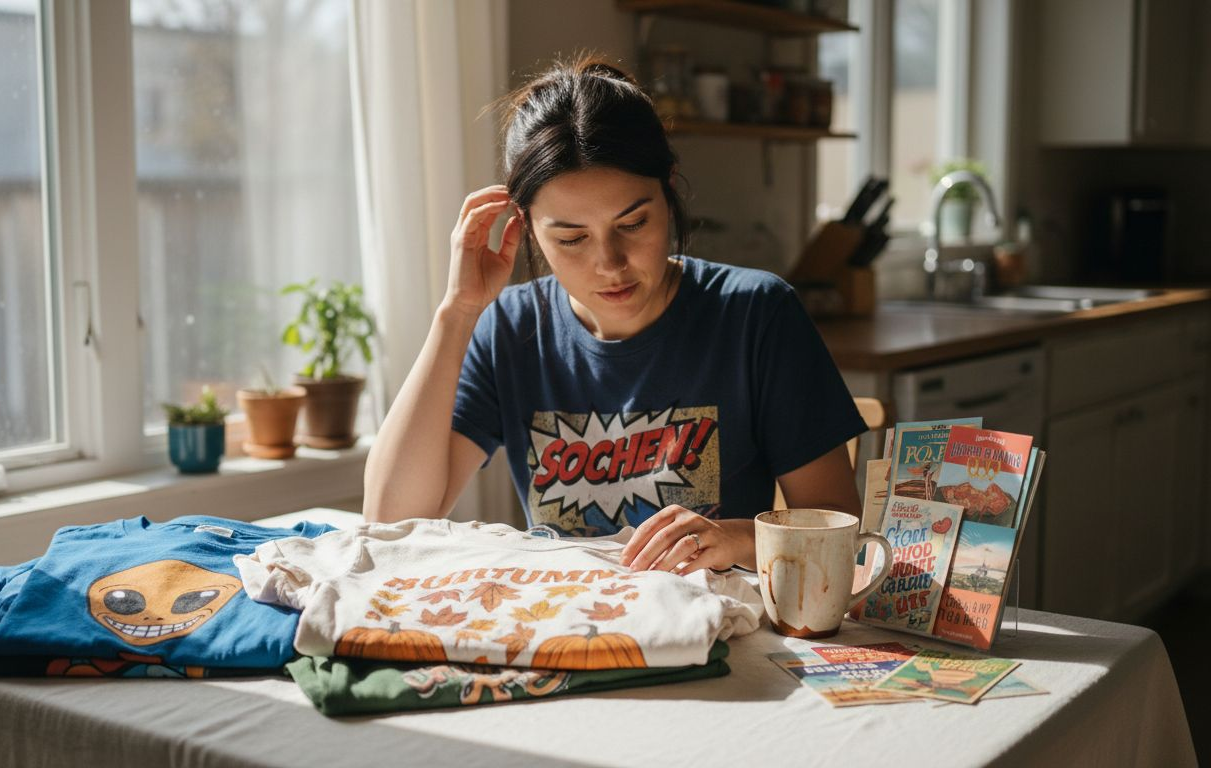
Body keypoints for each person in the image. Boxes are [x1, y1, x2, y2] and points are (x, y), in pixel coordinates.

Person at [363, 57, 864, 575]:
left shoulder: (756, 314)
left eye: (633, 223)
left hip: (716, 631)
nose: (610, 264)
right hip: (566, 627)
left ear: (669, 189)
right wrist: (457, 312)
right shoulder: (509, 329)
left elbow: (842, 528)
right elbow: (389, 523)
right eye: (571, 239)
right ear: (525, 226)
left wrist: (737, 539)